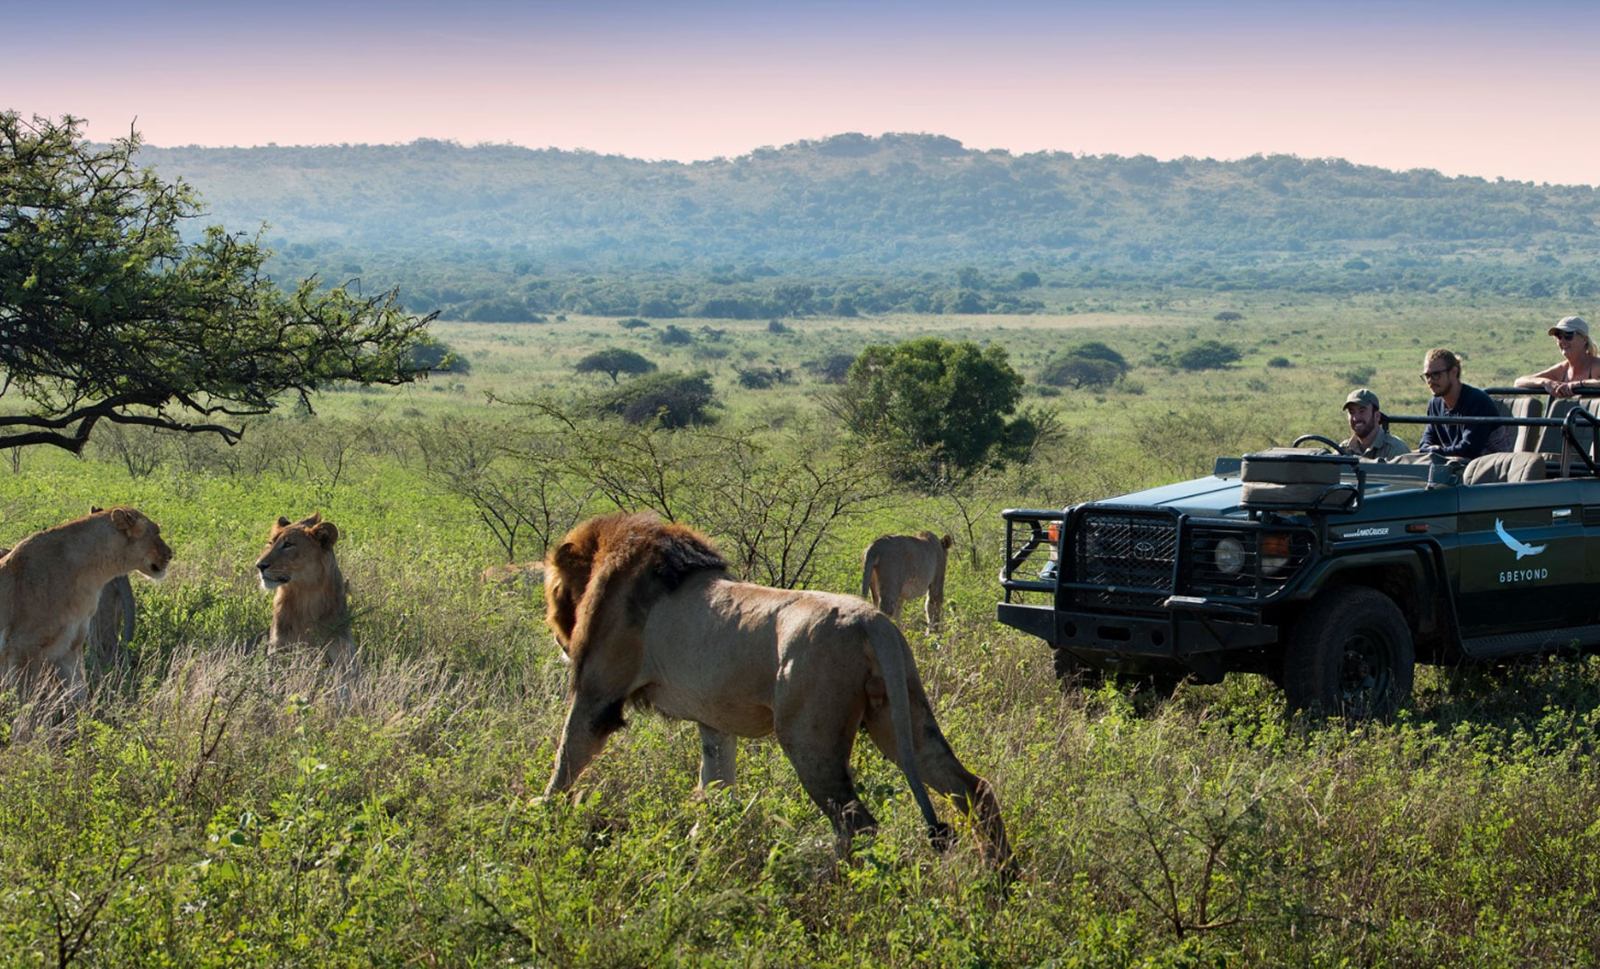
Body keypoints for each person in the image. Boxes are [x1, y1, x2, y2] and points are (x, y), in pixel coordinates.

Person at [1418, 348, 1507, 460]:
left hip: (1486, 466)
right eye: (1427, 376)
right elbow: (1426, 440)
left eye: (1436, 374)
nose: (1430, 381)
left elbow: (1469, 449)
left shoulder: (1477, 401)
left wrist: (1435, 451)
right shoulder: (1435, 404)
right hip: (1453, 465)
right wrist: (1429, 449)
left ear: (1453, 372)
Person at [1513, 315, 1600, 398]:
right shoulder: (1562, 370)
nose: (1562, 341)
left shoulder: (1596, 366)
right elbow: (1519, 382)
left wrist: (1579, 384)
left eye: (1568, 335)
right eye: (1559, 336)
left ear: (1584, 339)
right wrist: (1545, 382)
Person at [1339, 388, 1410, 459]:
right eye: (1351, 412)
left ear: (1377, 416)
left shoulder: (1396, 450)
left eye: (1362, 411)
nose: (1355, 418)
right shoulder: (1343, 450)